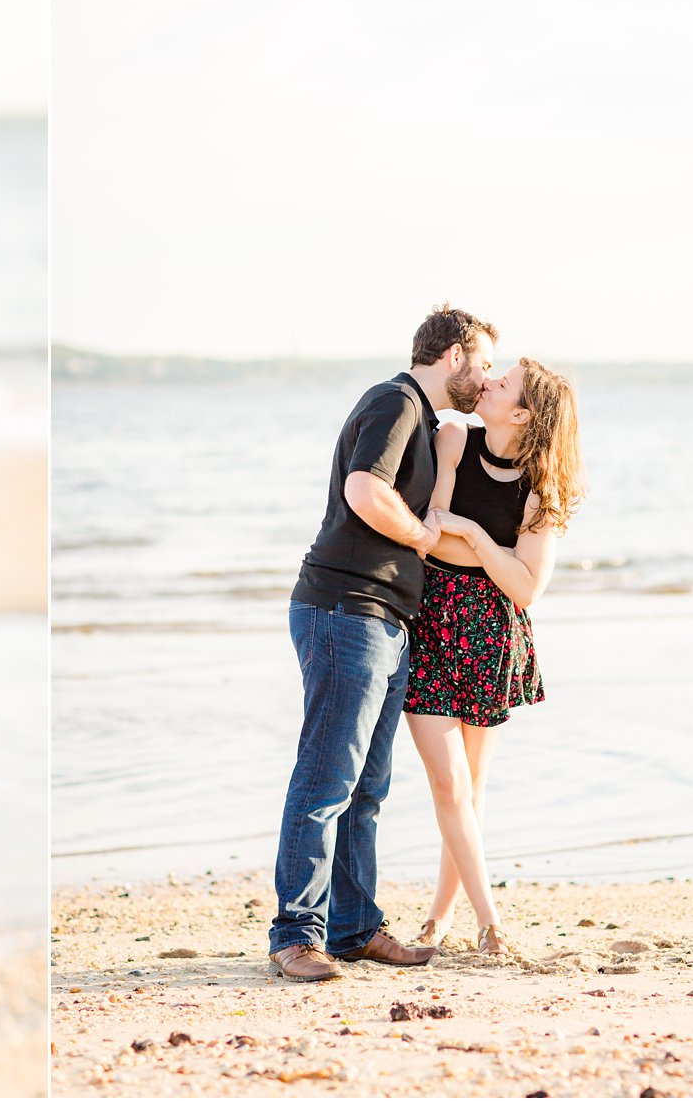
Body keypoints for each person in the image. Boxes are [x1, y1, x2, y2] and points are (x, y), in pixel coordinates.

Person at [268, 304, 497, 983]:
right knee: (326, 778)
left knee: (366, 786)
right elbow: (364, 490)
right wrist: (423, 537)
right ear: (452, 354)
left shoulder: (425, 423)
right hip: (346, 609)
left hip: (386, 621)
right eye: (482, 363)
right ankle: (295, 936)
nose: (484, 379)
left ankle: (355, 928)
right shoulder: (395, 401)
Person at [403, 357, 585, 956]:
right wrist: (490, 548)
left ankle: (438, 920)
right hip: (433, 618)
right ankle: (491, 922)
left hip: (490, 632)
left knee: (471, 787)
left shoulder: (541, 487)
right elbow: (433, 529)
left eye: (502, 384)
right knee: (448, 782)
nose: (487, 382)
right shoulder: (453, 438)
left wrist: (477, 538)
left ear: (523, 412)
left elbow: (528, 588)